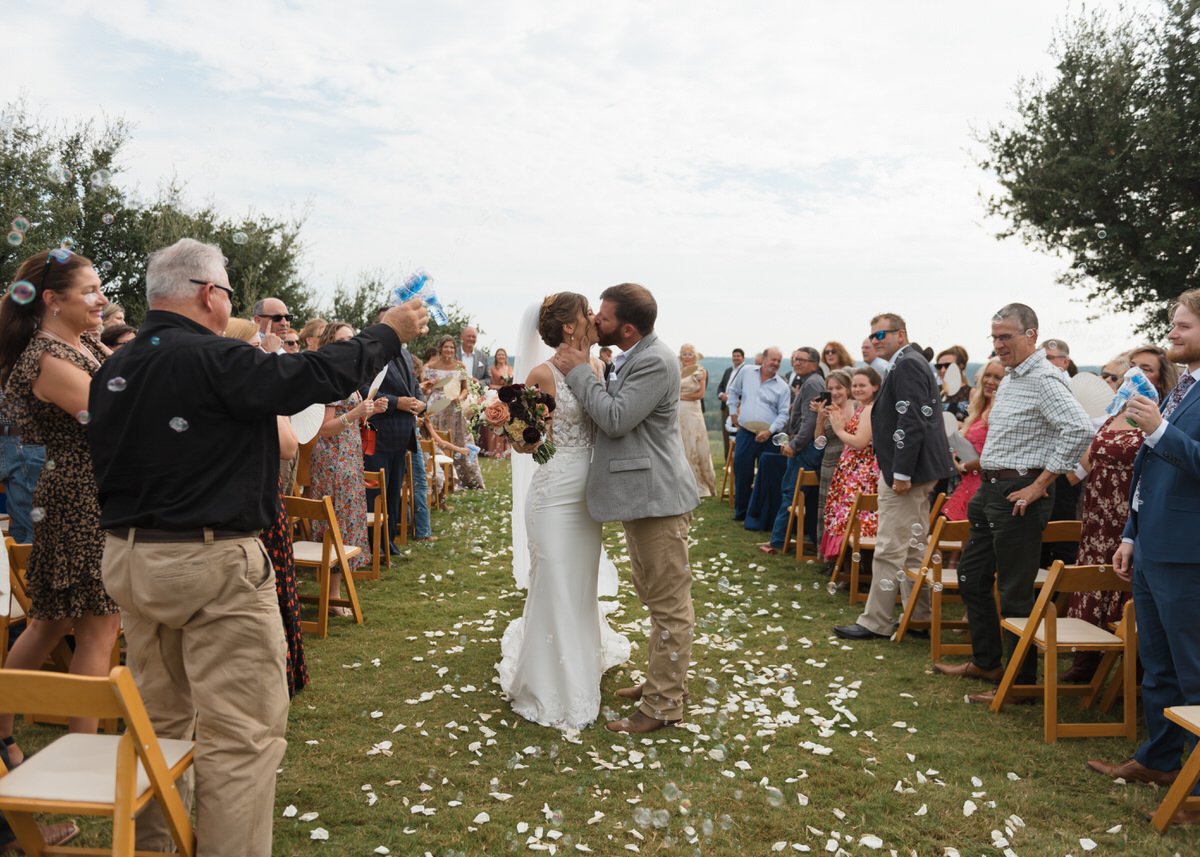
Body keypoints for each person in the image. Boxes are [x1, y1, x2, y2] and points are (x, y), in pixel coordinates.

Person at [88, 237, 428, 856]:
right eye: (224, 289)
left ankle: (155, 848)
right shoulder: (212, 358)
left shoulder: (118, 364)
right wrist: (387, 333)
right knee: (241, 736)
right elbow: (312, 376)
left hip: (131, 558)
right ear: (208, 295)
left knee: (157, 726)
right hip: (209, 561)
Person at [555, 283, 700, 734]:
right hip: (642, 497)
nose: (596, 321)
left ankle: (662, 706)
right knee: (656, 598)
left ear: (628, 327)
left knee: (670, 605)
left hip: (658, 498)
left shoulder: (656, 360)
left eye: (604, 316)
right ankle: (663, 682)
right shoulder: (636, 355)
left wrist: (581, 372)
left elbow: (615, 419)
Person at [932, 304, 1092, 705]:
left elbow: (1078, 428)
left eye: (1006, 336)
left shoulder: (1045, 378)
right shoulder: (1015, 377)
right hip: (990, 491)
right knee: (971, 575)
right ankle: (988, 662)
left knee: (1015, 590)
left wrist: (1040, 484)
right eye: (995, 336)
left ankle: (1021, 684)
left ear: (1031, 335)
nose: (999, 344)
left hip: (1020, 494)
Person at [0, 248, 123, 764]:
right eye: (90, 291)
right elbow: (114, 418)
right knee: (97, 623)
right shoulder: (48, 359)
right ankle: (84, 755)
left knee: (51, 621)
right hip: (79, 496)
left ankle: (3, 733)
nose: (103, 299)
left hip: (87, 490)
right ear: (51, 300)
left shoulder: (84, 340)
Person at [1087, 291, 1200, 822]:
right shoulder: (1182, 390)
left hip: (1190, 555)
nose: (1171, 333)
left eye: (1181, 326)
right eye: (1172, 324)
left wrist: (1156, 427)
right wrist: (1130, 532)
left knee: (1195, 671)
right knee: (1158, 666)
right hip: (1152, 545)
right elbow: (1148, 469)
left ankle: (1197, 793)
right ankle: (1159, 760)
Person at [497, 293, 631, 732]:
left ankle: (580, 664)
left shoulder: (596, 368)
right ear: (570, 328)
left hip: (587, 495)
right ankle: (547, 682)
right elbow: (527, 445)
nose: (594, 317)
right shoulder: (542, 373)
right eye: (585, 312)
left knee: (579, 582)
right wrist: (515, 424)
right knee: (553, 577)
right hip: (553, 493)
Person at [835, 315, 954, 640]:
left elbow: (912, 418)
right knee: (915, 545)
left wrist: (901, 472)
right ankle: (919, 616)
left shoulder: (908, 364)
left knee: (889, 545)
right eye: (871, 335)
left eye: (881, 334)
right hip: (917, 469)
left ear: (900, 334)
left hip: (908, 472)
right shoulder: (908, 362)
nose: (874, 340)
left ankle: (876, 621)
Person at [223, 317, 308, 697]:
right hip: (256, 497)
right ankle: (274, 676)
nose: (265, 350)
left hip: (240, 495)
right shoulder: (250, 387)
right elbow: (288, 445)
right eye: (259, 345)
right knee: (269, 585)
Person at [1057, 353, 1144, 683]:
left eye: (1115, 376)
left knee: (1123, 582)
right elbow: (1080, 469)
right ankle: (1086, 661)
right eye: (1107, 376)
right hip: (1096, 515)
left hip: (1128, 512)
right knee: (1092, 577)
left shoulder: (1157, 417)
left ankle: (1132, 668)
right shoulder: (1111, 415)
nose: (1110, 382)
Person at [310, 322, 384, 614]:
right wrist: (355, 412)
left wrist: (370, 410)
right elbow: (323, 429)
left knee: (347, 521)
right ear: (330, 343)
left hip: (349, 458)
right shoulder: (328, 378)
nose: (349, 344)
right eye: (343, 340)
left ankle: (336, 594)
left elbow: (348, 419)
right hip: (332, 462)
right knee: (336, 524)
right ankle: (333, 597)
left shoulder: (346, 376)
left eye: (351, 339)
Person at [361, 307, 426, 549]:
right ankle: (373, 545)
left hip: (403, 435)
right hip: (378, 434)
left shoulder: (407, 355)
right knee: (376, 495)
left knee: (393, 494)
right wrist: (397, 403)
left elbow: (414, 387)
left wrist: (421, 402)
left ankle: (389, 543)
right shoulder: (370, 353)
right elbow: (363, 389)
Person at [762, 347, 824, 554]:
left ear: (814, 364)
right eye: (795, 359)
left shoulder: (812, 383)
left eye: (802, 360)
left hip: (804, 448)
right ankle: (783, 538)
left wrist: (794, 445)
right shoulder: (809, 381)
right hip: (805, 445)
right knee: (793, 493)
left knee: (790, 492)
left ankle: (778, 541)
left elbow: (810, 420)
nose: (796, 363)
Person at [820, 367, 882, 560]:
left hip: (859, 475)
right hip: (851, 471)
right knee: (844, 516)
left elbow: (861, 442)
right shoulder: (861, 408)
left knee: (854, 518)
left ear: (875, 387)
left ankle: (854, 571)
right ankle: (843, 567)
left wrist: (839, 430)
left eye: (862, 385)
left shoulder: (870, 409)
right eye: (854, 385)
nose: (857, 389)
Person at [725, 346, 790, 522]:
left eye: (779, 361)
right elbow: (733, 392)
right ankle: (741, 512)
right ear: (764, 359)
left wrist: (769, 432)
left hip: (769, 436)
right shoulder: (746, 372)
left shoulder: (783, 387)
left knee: (766, 476)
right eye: (773, 359)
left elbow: (784, 414)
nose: (775, 363)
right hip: (745, 433)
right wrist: (732, 412)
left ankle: (761, 514)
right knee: (742, 471)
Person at [943, 359, 1004, 520]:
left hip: (985, 486)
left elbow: (992, 456)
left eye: (998, 378)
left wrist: (963, 466)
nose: (990, 381)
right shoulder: (980, 410)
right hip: (969, 483)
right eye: (988, 375)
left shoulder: (1000, 413)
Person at [423, 334, 485, 490]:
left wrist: (460, 397)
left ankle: (464, 479)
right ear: (441, 348)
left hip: (455, 409)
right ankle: (440, 479)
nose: (449, 350)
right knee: (437, 440)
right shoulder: (431, 367)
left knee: (460, 440)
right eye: (446, 347)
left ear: (454, 350)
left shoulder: (460, 366)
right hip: (436, 407)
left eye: (451, 347)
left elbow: (465, 388)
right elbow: (425, 387)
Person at [814, 370, 854, 547]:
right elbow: (819, 443)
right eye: (830, 389)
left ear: (848, 389)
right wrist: (820, 420)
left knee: (844, 510)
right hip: (829, 463)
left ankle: (844, 554)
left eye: (839, 388)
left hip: (849, 466)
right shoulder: (828, 409)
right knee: (829, 510)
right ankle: (829, 553)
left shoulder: (855, 407)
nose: (835, 392)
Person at [678, 343, 716, 498]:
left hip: (693, 411)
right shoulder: (678, 371)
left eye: (690, 354)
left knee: (696, 445)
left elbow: (700, 394)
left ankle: (702, 485)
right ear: (680, 356)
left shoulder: (700, 371)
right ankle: (683, 484)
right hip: (678, 413)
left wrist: (681, 397)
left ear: (695, 356)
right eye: (684, 354)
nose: (687, 357)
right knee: (682, 445)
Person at [483, 348, 513, 458]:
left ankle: (506, 450)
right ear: (496, 357)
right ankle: (494, 450)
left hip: (508, 399)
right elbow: (489, 385)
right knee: (496, 420)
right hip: (496, 398)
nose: (501, 356)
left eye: (503, 354)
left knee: (506, 422)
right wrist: (501, 387)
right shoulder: (492, 369)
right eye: (499, 355)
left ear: (506, 356)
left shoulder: (511, 368)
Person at [717, 347, 746, 458]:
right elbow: (720, 386)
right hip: (725, 405)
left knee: (738, 432)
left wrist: (737, 399)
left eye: (738, 356)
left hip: (738, 406)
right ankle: (727, 459)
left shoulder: (745, 371)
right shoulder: (728, 370)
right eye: (734, 356)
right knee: (726, 432)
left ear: (743, 358)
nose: (736, 358)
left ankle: (737, 459)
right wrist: (721, 395)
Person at [936, 345, 972, 420]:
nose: (942, 370)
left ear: (960, 367)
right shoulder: (933, 391)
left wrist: (962, 425)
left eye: (947, 365)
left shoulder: (971, 393)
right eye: (939, 366)